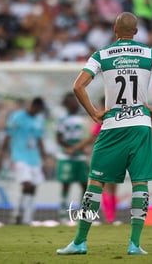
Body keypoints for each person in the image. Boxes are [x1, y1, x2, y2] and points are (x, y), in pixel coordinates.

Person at [57, 12, 152, 255]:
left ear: (115, 30)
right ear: (136, 32)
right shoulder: (150, 53)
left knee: (95, 182)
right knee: (140, 182)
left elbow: (77, 85)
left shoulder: (101, 55)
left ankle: (80, 241)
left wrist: (93, 111)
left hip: (112, 126)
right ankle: (135, 244)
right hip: (140, 125)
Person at [0, 97, 47, 225]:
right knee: (27, 184)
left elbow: (40, 140)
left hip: (34, 158)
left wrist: (44, 158)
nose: (38, 111)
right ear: (33, 106)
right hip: (19, 156)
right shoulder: (17, 117)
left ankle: (25, 217)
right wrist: (0, 156)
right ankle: (17, 213)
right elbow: (8, 136)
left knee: (33, 187)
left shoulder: (39, 120)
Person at [56, 92, 88, 224]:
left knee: (84, 184)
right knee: (66, 184)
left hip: (80, 156)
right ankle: (63, 213)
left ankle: (83, 213)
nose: (75, 103)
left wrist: (80, 148)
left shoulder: (83, 118)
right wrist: (71, 147)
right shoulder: (62, 119)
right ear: (67, 104)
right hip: (67, 156)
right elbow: (58, 138)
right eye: (72, 101)